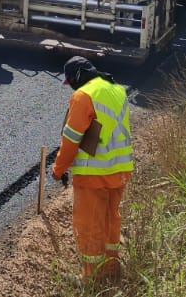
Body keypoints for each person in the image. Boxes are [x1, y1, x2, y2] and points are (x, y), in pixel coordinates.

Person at [51, 55, 134, 284]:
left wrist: (58, 170)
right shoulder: (117, 89)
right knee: (110, 220)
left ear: (76, 77)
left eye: (70, 83)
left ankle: (90, 278)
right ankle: (110, 269)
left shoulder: (83, 95)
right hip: (120, 169)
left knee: (89, 225)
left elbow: (71, 140)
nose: (71, 88)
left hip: (94, 173)